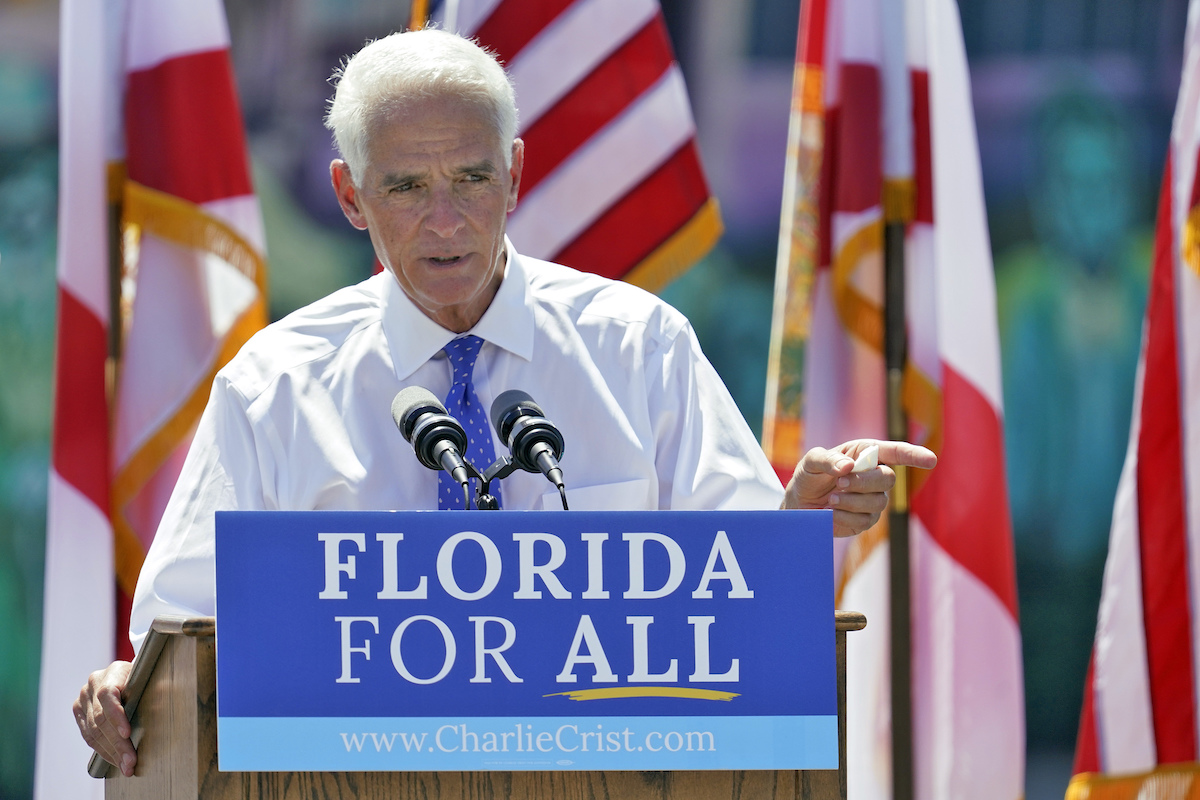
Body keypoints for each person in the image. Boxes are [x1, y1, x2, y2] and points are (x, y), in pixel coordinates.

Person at [74, 28, 936, 777]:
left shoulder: (638, 348)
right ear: (349, 195)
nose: (446, 220)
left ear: (516, 173)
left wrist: (796, 521)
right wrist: (128, 682)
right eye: (407, 187)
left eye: (472, 178)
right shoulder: (274, 386)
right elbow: (181, 639)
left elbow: (736, 602)